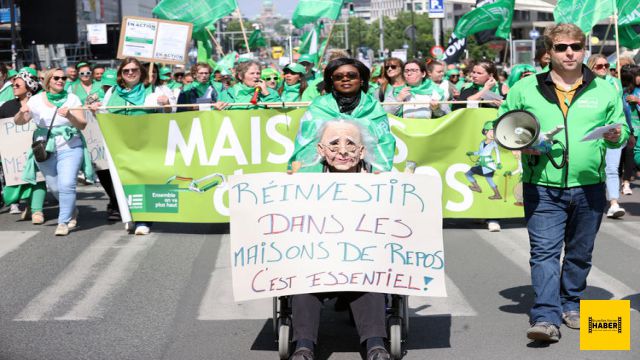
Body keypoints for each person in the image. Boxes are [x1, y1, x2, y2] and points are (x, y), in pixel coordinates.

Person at [497, 23, 628, 342]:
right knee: (543, 252)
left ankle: (572, 303)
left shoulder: (606, 88)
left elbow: (622, 130)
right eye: (561, 47)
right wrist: (520, 142)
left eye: (576, 46)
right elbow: (501, 125)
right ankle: (545, 315)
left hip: (589, 186)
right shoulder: (525, 89)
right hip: (542, 185)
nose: (569, 52)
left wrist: (615, 135)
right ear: (548, 52)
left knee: (580, 253)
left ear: (584, 49)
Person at [288, 119, 391, 360]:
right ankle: (303, 346)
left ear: (362, 151)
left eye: (350, 144)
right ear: (321, 151)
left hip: (363, 264)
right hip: (317, 264)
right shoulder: (303, 182)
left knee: (372, 284)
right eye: (334, 145)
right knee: (303, 286)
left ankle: (376, 344)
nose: (343, 151)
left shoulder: (380, 182)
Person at [14, 68, 96, 236]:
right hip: (45, 148)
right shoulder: (36, 100)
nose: (61, 80)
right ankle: (71, 210)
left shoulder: (72, 98)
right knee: (55, 188)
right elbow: (19, 122)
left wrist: (70, 117)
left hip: (71, 146)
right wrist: (21, 114)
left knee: (67, 184)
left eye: (63, 78)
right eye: (56, 78)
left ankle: (63, 222)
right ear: (48, 81)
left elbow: (82, 124)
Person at [95, 58, 171, 235]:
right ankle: (129, 214)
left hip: (145, 143)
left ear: (141, 71)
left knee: (142, 180)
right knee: (123, 181)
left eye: (134, 69)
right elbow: (104, 114)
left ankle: (144, 220)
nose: (130, 73)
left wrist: (166, 103)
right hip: (119, 144)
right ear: (120, 73)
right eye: (126, 70)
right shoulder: (112, 91)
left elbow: (168, 114)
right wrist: (96, 108)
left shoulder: (153, 90)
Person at [289, 57, 395, 173]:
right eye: (338, 77)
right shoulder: (318, 106)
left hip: (364, 175)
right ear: (332, 81)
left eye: (351, 75)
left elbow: (384, 144)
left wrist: (380, 171)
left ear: (361, 80)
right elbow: (305, 143)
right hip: (322, 175)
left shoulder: (373, 108)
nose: (345, 79)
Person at [0, 68, 47, 224]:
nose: (13, 85)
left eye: (17, 84)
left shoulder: (40, 103)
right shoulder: (6, 106)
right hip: (14, 156)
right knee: (16, 187)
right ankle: (29, 204)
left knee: (38, 178)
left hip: (37, 148)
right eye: (13, 84)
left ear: (28, 88)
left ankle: (37, 211)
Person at [587, 54, 627, 218]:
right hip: (592, 135)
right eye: (599, 66)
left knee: (612, 168)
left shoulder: (615, 83)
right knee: (594, 169)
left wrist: (627, 131)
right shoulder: (585, 84)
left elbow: (623, 108)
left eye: (606, 66)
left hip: (611, 132)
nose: (604, 69)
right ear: (591, 68)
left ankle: (613, 203)